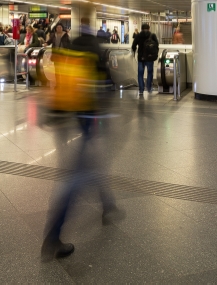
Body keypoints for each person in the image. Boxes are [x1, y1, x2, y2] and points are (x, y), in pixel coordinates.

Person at [41, 17, 121, 260]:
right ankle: (53, 237)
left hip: (74, 110)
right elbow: (106, 80)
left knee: (91, 159)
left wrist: (56, 112)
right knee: (78, 175)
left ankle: (108, 204)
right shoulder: (96, 46)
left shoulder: (72, 43)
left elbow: (63, 76)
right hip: (89, 110)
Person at [131, 23, 159, 95]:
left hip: (141, 57)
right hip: (149, 57)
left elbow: (133, 45)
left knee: (140, 74)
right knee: (150, 73)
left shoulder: (138, 36)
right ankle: (149, 88)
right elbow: (157, 45)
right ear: (149, 28)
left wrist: (134, 52)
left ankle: (141, 89)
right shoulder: (152, 35)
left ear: (141, 28)